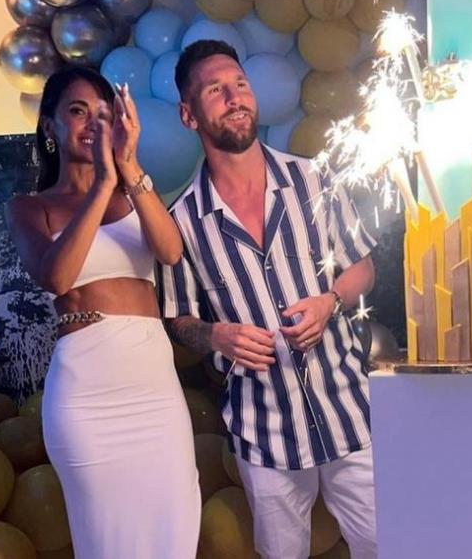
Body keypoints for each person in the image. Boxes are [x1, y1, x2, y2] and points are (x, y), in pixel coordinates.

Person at [162, 40, 378, 559]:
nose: (234, 97)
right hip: (263, 432)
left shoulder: (313, 179)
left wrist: (330, 301)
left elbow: (363, 266)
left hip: (350, 410)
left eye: (240, 84)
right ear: (189, 115)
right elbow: (178, 319)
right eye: (215, 90)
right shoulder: (182, 221)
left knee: (393, 545)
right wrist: (214, 335)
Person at [6, 66, 200, 559]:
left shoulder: (133, 192)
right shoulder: (30, 206)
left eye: (104, 114)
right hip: (88, 398)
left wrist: (127, 169)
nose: (94, 124)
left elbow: (170, 250)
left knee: (174, 536)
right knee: (109, 544)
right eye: (78, 111)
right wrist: (99, 186)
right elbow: (56, 277)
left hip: (155, 393)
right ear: (50, 127)